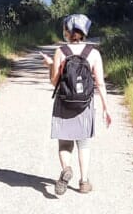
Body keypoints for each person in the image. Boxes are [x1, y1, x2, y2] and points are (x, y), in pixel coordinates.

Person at [42, 13, 112, 196]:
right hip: (85, 104)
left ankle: (66, 169)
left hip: (64, 101)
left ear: (67, 31)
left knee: (65, 143)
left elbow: (54, 81)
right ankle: (84, 181)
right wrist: (106, 108)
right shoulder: (93, 53)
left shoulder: (61, 51)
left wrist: (50, 65)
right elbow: (100, 83)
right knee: (84, 143)